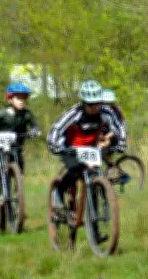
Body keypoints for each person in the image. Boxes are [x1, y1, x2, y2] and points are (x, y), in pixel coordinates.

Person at [47, 80, 124, 240]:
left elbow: (119, 127)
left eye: (97, 103)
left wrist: (121, 142)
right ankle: (59, 192)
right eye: (90, 104)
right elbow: (56, 129)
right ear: (83, 103)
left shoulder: (106, 112)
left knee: (95, 178)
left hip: (91, 148)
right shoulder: (74, 113)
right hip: (69, 146)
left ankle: (94, 232)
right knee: (75, 169)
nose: (94, 107)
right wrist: (54, 145)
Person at [0, 83, 40, 198]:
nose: (21, 100)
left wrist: (35, 131)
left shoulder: (27, 114)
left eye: (24, 98)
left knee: (19, 177)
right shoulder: (3, 113)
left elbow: (35, 126)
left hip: (16, 149)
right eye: (18, 97)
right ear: (10, 99)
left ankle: (18, 204)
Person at [101, 89, 128, 157]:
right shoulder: (100, 110)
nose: (107, 106)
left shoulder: (116, 112)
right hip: (109, 131)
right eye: (105, 103)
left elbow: (118, 128)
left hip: (117, 133)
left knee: (103, 146)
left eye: (109, 103)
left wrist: (106, 136)